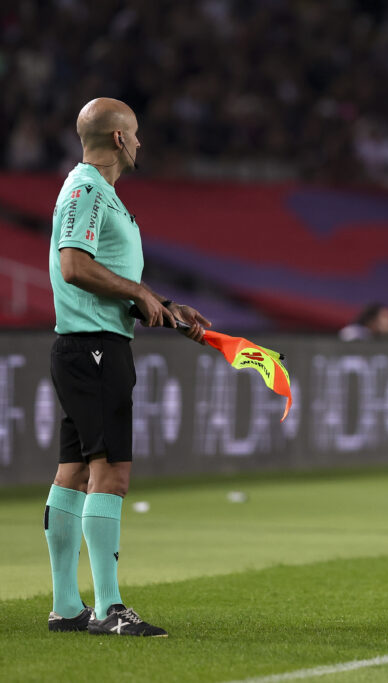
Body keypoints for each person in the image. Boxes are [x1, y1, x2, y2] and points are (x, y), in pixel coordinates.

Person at [45, 97, 209, 637]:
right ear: (118, 138)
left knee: (73, 474)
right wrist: (138, 291)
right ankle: (108, 608)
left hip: (84, 344)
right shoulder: (89, 187)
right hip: (94, 350)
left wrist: (159, 302)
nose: (139, 143)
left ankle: (68, 605)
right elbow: (74, 266)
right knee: (110, 474)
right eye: (135, 134)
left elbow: (103, 272)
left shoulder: (98, 193)